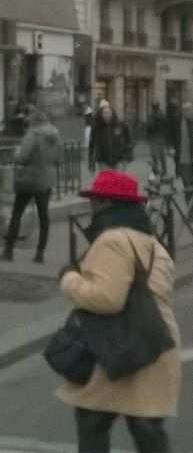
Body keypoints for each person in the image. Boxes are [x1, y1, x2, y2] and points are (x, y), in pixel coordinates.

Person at [57, 169, 180, 452]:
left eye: (95, 201)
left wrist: (69, 279)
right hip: (156, 345)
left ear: (108, 204)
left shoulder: (113, 240)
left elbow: (107, 299)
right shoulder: (153, 244)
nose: (91, 208)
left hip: (120, 349)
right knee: (147, 429)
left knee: (92, 420)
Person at [3, 107, 59, 263]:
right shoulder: (55, 135)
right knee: (44, 217)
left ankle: (8, 251)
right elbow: (58, 157)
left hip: (29, 179)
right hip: (47, 179)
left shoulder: (32, 136)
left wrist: (15, 152)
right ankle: (40, 253)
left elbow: (21, 158)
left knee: (17, 213)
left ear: (33, 122)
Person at [88, 102, 130, 170]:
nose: (106, 115)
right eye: (104, 113)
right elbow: (92, 144)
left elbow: (128, 139)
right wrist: (91, 162)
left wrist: (128, 154)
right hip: (103, 159)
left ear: (112, 113)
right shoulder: (97, 127)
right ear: (101, 115)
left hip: (119, 158)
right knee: (106, 179)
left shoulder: (121, 125)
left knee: (118, 179)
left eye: (108, 112)